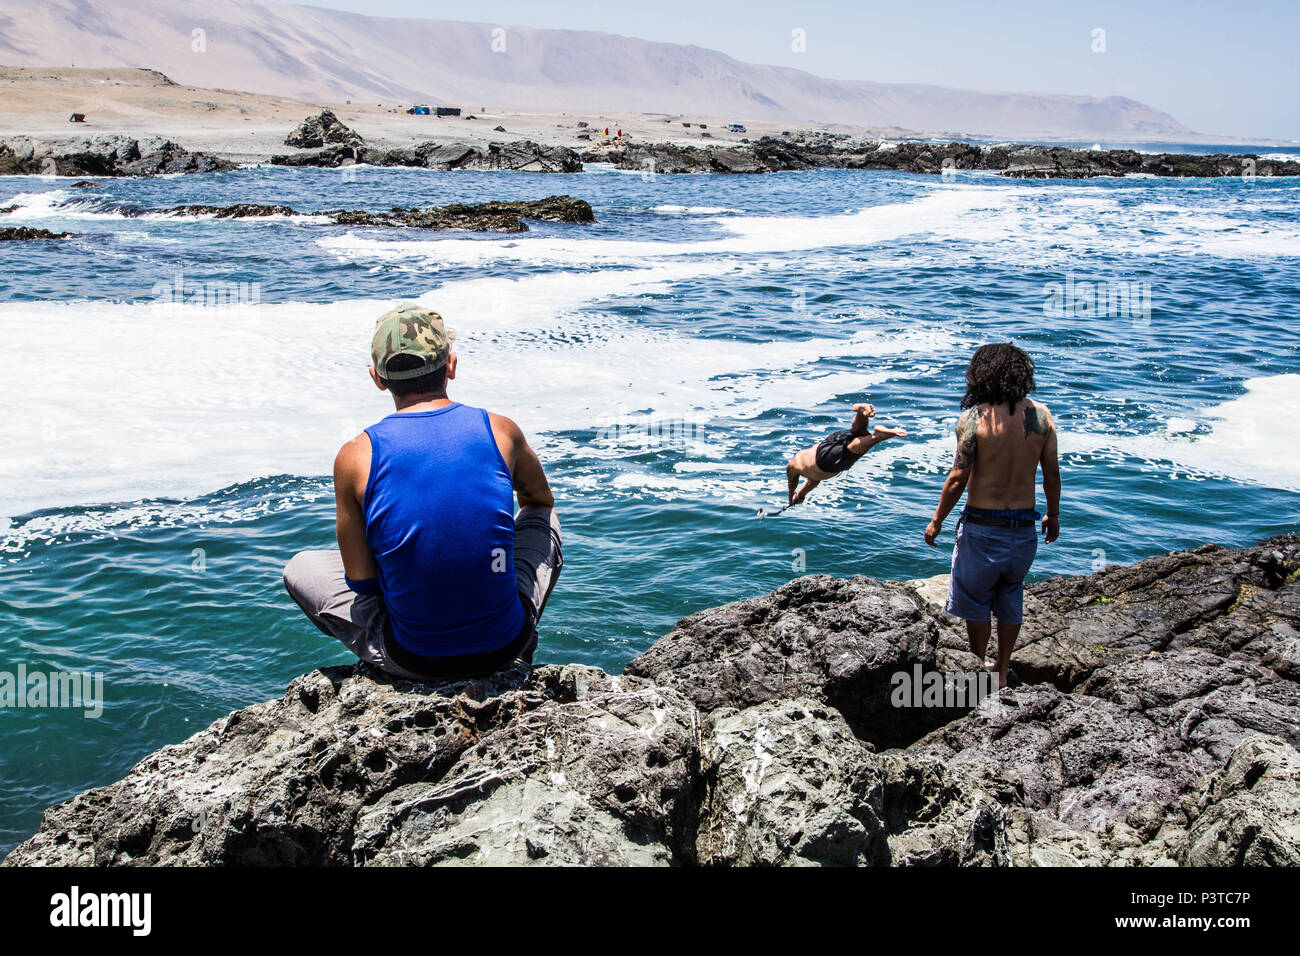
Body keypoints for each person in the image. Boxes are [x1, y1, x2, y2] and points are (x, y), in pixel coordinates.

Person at [283, 303, 562, 682]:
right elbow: (540, 501)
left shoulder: (355, 456)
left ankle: (393, 653)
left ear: (377, 379)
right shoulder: (500, 429)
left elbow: (363, 582)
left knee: (301, 568)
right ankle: (509, 634)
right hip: (506, 644)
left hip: (415, 659)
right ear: (451, 366)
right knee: (543, 519)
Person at [924, 343, 1060, 689]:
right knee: (1011, 593)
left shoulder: (973, 419)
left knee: (975, 602)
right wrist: (1053, 515)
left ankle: (977, 666)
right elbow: (1052, 474)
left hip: (982, 529)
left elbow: (958, 476)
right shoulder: (1042, 417)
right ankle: (1001, 667)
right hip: (1023, 528)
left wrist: (937, 519)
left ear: (980, 376)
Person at [786, 403, 908, 506]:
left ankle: (876, 437)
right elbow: (812, 482)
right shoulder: (801, 458)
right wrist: (801, 495)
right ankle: (861, 414)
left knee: (850, 450)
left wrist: (791, 497)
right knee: (857, 433)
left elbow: (798, 483)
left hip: (824, 461)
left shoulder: (795, 469)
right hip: (826, 443)